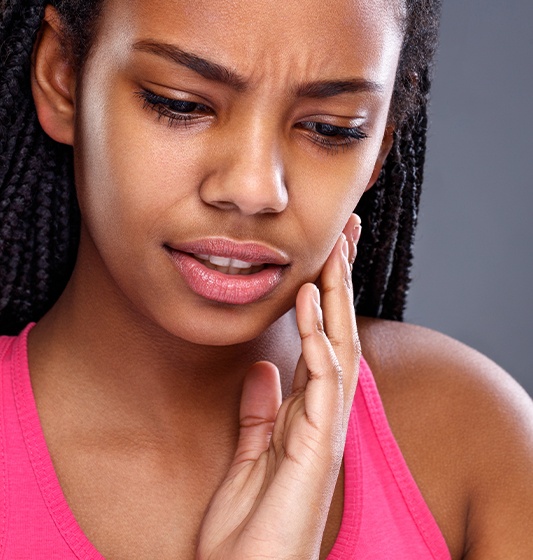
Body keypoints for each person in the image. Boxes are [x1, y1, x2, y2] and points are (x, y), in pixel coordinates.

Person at [1, 0, 532, 558]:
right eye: (180, 104)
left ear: (381, 143)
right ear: (63, 76)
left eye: (331, 129)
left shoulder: (474, 444)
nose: (254, 189)